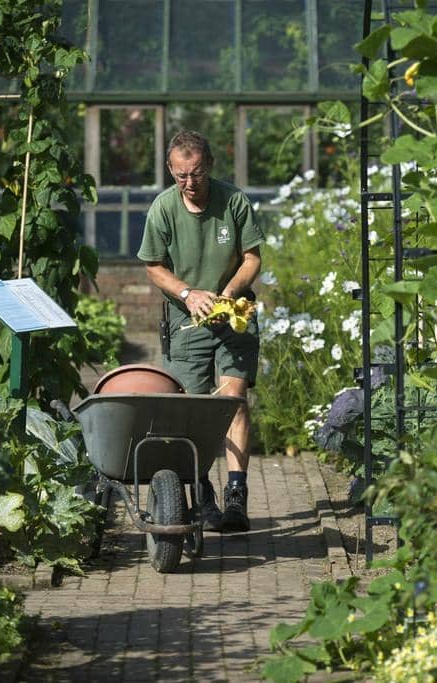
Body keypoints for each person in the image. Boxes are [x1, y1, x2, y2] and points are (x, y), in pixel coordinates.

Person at [137, 129, 264, 533]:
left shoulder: (234, 202)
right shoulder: (163, 209)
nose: (189, 184)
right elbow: (153, 266)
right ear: (171, 172)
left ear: (208, 165)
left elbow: (252, 259)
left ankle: (236, 497)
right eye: (180, 176)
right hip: (186, 322)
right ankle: (201, 494)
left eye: (195, 174)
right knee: (191, 412)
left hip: (233, 316)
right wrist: (189, 294)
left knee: (234, 401)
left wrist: (227, 294)